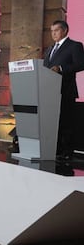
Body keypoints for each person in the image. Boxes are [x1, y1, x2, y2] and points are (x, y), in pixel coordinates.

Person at [43, 20, 84, 160]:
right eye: (51, 30)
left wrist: (61, 68)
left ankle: (66, 153)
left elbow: (80, 64)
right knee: (53, 123)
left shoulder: (75, 46)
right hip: (50, 92)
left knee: (66, 122)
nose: (53, 33)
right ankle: (55, 150)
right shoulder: (50, 49)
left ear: (65, 30)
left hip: (65, 91)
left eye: (56, 30)